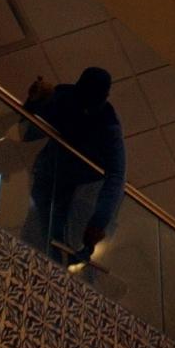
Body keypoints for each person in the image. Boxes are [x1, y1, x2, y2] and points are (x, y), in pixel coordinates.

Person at [20, 66, 126, 267]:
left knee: (53, 229)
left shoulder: (108, 126)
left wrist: (98, 222)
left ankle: (51, 265)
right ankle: (42, 263)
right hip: (49, 174)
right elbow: (28, 133)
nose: (83, 109)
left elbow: (117, 176)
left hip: (76, 187)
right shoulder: (64, 97)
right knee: (41, 227)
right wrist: (34, 101)